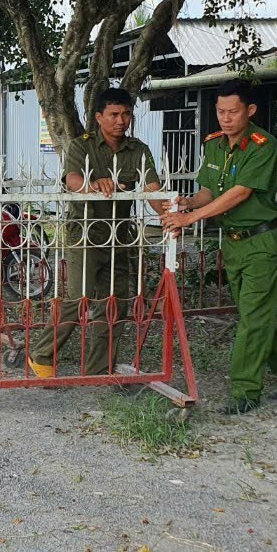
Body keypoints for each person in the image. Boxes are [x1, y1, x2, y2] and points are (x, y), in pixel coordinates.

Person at [159, 80, 277, 414]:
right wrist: (187, 203)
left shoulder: (263, 145)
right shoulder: (214, 145)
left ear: (250, 111)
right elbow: (210, 191)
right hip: (233, 244)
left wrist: (193, 218)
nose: (225, 119)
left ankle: (245, 392)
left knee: (253, 319)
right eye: (220, 111)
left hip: (261, 241)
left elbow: (240, 192)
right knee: (252, 316)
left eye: (233, 112)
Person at [27, 88, 167, 378]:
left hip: (119, 235)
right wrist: (93, 184)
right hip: (85, 233)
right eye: (114, 115)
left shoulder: (138, 150)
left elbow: (153, 189)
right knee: (78, 299)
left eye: (126, 114)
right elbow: (73, 179)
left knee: (114, 303)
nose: (121, 121)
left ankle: (98, 369)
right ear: (99, 117)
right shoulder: (82, 146)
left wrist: (170, 212)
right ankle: (41, 355)